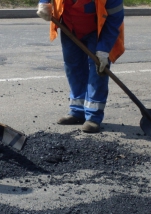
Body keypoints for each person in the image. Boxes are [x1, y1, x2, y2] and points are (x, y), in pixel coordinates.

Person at [37, 0, 125, 133]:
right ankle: (77, 111)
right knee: (73, 67)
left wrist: (104, 50)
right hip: (69, 26)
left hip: (98, 30)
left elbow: (115, 19)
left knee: (98, 70)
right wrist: (43, 3)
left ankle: (93, 117)